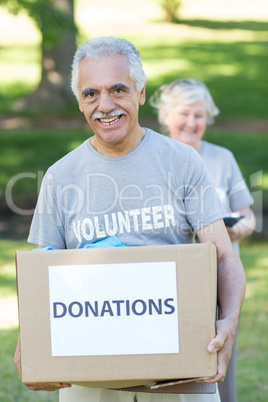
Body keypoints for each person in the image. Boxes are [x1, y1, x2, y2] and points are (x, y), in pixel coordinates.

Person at [14, 37, 246, 402]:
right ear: (79, 101)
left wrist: (228, 321)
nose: (104, 106)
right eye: (91, 94)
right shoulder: (61, 177)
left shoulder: (182, 162)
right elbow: (42, 277)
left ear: (140, 92)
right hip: (89, 377)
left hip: (179, 371)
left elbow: (223, 256)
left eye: (118, 89)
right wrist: (29, 340)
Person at [150, 78, 256, 402]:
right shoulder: (154, 157)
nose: (192, 123)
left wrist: (237, 229)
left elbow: (248, 215)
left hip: (219, 272)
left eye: (200, 116)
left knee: (220, 345)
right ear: (165, 114)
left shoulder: (223, 158)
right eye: (185, 113)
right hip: (173, 276)